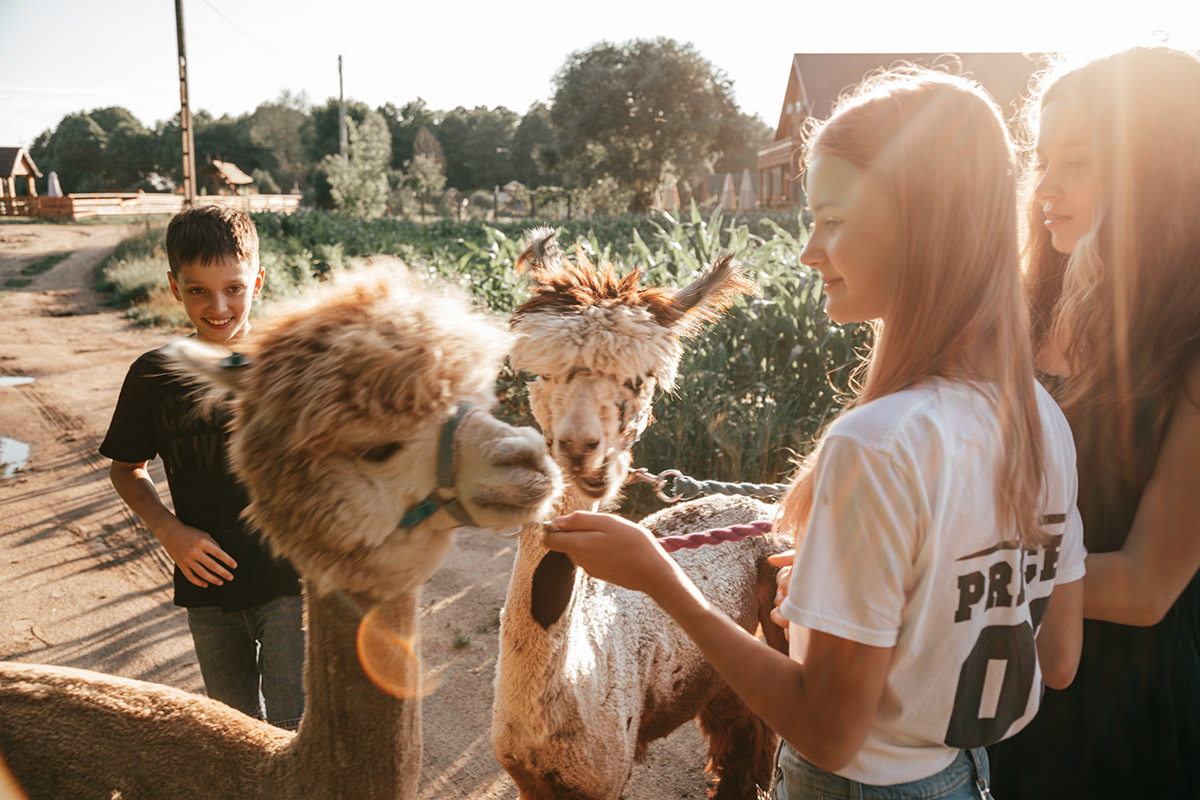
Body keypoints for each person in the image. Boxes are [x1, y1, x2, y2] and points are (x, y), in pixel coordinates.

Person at [544, 69, 1085, 799]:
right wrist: (857, 592)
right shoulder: (1041, 418)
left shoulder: (877, 445)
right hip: (963, 776)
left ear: (919, 228)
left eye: (833, 219)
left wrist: (658, 578)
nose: (808, 251)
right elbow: (1059, 656)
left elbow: (828, 732)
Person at [987, 46, 1200, 798]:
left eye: (1077, 163)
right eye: (1042, 161)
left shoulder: (1189, 350)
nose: (1045, 187)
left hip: (1124, 716)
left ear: (1155, 172)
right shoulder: (1020, 313)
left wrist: (951, 575)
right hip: (1005, 682)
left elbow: (1147, 586)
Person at [100, 204, 305, 730]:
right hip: (206, 586)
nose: (218, 307)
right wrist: (169, 531)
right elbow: (127, 468)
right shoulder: (154, 376)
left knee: (293, 732)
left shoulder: (293, 366)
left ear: (257, 281)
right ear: (174, 287)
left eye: (234, 288)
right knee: (231, 733)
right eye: (198, 290)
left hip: (292, 582)